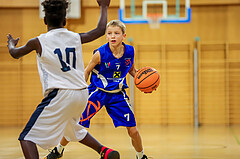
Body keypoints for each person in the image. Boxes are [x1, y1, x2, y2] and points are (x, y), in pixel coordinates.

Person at [7, 0, 120, 159]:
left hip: (60, 94)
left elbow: (15, 53)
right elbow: (101, 30)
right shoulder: (75, 37)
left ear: (45, 20)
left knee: (26, 138)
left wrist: (11, 44)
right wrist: (103, 6)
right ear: (65, 20)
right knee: (70, 127)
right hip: (81, 93)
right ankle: (104, 151)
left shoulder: (38, 41)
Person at [46, 20, 150, 159]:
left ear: (123, 36)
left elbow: (131, 69)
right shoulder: (100, 54)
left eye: (116, 33)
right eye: (109, 33)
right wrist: (80, 89)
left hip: (117, 94)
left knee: (133, 130)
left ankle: (141, 156)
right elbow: (87, 71)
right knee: (75, 123)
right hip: (97, 92)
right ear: (106, 36)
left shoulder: (130, 51)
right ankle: (58, 150)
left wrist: (142, 81)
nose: (113, 36)